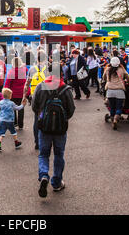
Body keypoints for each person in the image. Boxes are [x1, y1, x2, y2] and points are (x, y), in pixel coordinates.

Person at [31, 62, 75, 197]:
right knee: (59, 154)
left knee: (44, 154)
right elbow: (71, 109)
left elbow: (34, 106)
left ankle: (44, 175)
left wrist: (41, 115)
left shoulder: (40, 87)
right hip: (60, 129)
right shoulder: (65, 89)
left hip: (44, 127)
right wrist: (64, 119)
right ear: (61, 73)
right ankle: (56, 183)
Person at [24, 50, 50, 150]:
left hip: (35, 97)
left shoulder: (31, 69)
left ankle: (37, 142)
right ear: (45, 59)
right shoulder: (48, 69)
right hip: (46, 96)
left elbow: (27, 83)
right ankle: (45, 141)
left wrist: (24, 96)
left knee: (36, 119)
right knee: (46, 118)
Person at [102, 57, 129, 130]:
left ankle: (112, 118)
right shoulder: (121, 69)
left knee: (112, 106)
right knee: (119, 107)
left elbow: (104, 77)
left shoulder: (107, 69)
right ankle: (116, 118)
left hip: (110, 90)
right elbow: (128, 77)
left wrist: (108, 80)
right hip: (119, 91)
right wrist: (127, 81)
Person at [0, 88, 25, 152]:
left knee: (1, 133)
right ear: (10, 96)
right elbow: (17, 108)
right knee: (13, 132)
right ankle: (16, 143)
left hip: (2, 120)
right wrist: (23, 105)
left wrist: (1, 112)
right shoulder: (11, 103)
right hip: (10, 121)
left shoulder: (0, 102)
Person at [4, 57, 28, 130]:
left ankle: (15, 123)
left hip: (13, 93)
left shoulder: (12, 72)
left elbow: (7, 84)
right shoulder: (24, 70)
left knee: (12, 108)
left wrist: (4, 92)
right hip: (22, 92)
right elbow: (26, 70)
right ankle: (21, 125)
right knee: (21, 109)